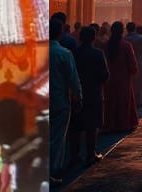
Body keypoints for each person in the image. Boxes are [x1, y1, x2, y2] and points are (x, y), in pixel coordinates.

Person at [49, 17, 81, 184]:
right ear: (60, 33)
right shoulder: (63, 53)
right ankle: (53, 170)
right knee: (57, 137)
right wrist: (78, 98)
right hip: (59, 100)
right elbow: (73, 80)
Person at [72, 26, 110, 163]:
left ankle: (74, 155)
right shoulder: (97, 53)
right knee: (92, 125)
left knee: (76, 126)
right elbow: (105, 74)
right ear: (94, 38)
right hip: (94, 92)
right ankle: (90, 153)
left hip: (77, 92)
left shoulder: (74, 53)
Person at [124, 22, 142, 106]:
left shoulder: (125, 39)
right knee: (141, 80)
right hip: (140, 59)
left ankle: (131, 99)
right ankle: (140, 100)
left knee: (131, 81)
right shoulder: (141, 38)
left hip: (127, 61)